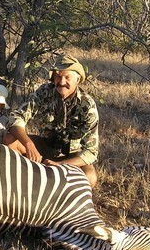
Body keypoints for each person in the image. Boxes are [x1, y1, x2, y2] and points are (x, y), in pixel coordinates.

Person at [7, 53, 100, 187]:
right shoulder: (44, 91)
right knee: (10, 140)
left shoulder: (87, 105)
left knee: (90, 177)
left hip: (72, 156)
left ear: (77, 79)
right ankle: (20, 186)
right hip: (45, 147)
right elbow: (17, 117)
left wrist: (60, 164)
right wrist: (28, 144)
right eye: (58, 76)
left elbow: (91, 152)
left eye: (67, 77)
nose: (62, 82)